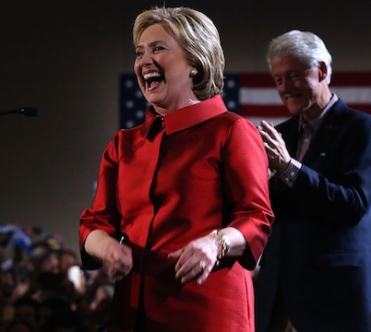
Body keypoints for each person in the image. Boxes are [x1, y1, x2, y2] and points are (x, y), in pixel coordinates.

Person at [78, 6, 274, 332]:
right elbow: (95, 222)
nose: (144, 61)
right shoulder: (123, 144)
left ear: (195, 62)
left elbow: (256, 216)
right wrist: (107, 247)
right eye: (140, 52)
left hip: (206, 311)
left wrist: (215, 243)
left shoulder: (231, 131)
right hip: (131, 313)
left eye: (158, 48)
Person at [255, 30, 371, 332]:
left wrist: (288, 168)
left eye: (294, 76)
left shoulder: (360, 128)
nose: (285, 88)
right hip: (277, 294)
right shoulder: (281, 135)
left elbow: (353, 204)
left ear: (322, 71)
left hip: (334, 297)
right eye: (278, 79)